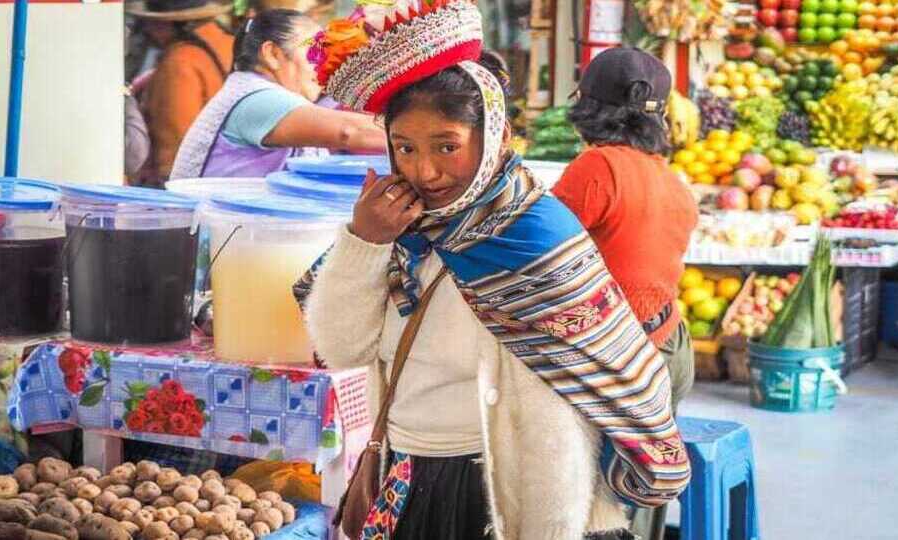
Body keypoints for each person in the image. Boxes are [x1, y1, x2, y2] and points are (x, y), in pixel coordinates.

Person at [295, 2, 691, 539]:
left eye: (447, 146)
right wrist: (363, 242)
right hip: (409, 474)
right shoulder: (394, 228)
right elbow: (344, 350)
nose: (424, 170)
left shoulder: (538, 237)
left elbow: (616, 372)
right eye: (404, 147)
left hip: (515, 485)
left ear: (495, 138)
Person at [551, 47, 699, 411]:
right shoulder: (672, 180)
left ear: (587, 108)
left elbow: (540, 251)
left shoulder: (597, 166)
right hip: (671, 347)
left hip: (625, 359)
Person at [170, 9, 386, 179]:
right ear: (272, 54)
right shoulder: (257, 99)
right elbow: (349, 132)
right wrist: (416, 133)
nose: (325, 64)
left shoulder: (253, 91)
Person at [128, 0, 235, 185]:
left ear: (164, 23)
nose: (147, 30)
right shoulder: (229, 42)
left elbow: (175, 143)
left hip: (190, 181)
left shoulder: (178, 63)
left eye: (149, 23)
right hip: (226, 171)